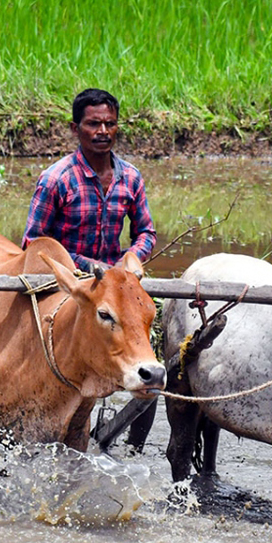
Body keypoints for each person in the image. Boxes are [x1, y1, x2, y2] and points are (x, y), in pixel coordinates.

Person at [22, 88, 158, 449]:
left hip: (118, 283)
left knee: (150, 365)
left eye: (110, 124)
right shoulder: (56, 179)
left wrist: (131, 261)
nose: (102, 131)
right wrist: (90, 267)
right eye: (93, 124)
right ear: (75, 128)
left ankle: (134, 449)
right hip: (70, 284)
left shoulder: (130, 177)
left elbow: (146, 231)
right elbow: (34, 239)